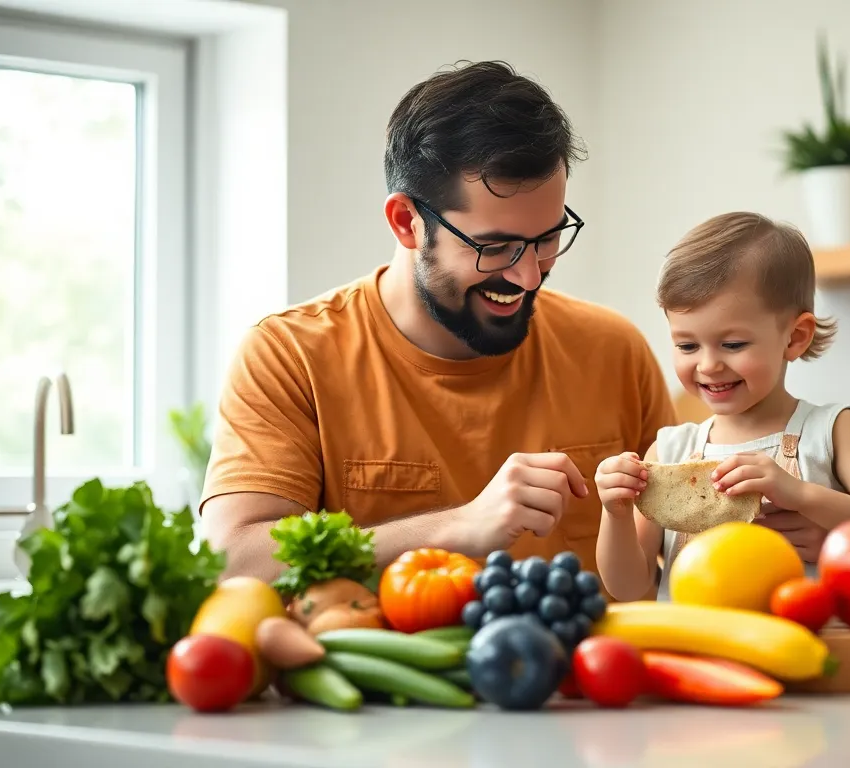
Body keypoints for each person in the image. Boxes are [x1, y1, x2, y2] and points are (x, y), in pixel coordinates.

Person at [200, 61, 675, 590]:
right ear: (407, 221)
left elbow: (683, 551)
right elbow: (234, 559)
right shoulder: (290, 355)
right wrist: (455, 528)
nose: (526, 276)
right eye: (494, 247)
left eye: (546, 238)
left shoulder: (614, 350)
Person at [593, 212, 850, 602]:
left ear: (795, 337)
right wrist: (616, 513)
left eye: (733, 345)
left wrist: (802, 497)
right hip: (699, 655)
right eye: (687, 346)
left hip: (810, 651)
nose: (708, 365)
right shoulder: (668, 453)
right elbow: (628, 588)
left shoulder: (832, 430)